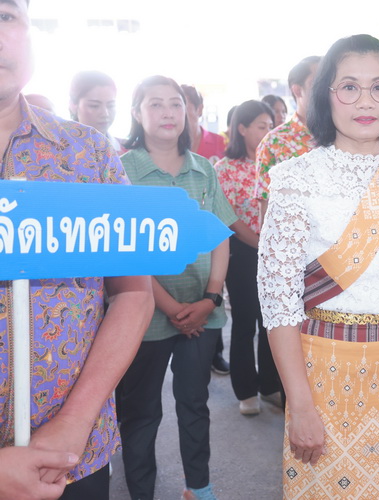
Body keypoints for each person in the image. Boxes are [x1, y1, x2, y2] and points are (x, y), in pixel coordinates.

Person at [257, 34, 379, 498]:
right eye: (349, 87)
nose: (366, 101)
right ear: (326, 95)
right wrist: (300, 404)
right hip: (319, 373)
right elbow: (279, 304)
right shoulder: (295, 178)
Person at [0, 2, 153, 499]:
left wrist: (73, 422)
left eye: (6, 15)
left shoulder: (88, 154)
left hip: (72, 455)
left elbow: (134, 293)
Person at [117, 75, 237, 500]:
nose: (168, 112)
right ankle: (141, 492)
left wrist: (211, 298)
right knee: (140, 412)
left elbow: (220, 236)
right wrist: (170, 307)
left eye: (175, 104)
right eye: (155, 104)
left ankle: (198, 488)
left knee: (194, 404)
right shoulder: (121, 170)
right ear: (137, 113)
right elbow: (125, 251)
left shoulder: (203, 169)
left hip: (203, 311)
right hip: (142, 316)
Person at [214, 100, 282, 415]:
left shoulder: (276, 164)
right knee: (245, 321)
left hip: (277, 253)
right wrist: (259, 243)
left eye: (270, 126)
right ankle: (246, 391)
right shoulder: (225, 169)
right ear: (241, 129)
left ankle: (269, 385)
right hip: (242, 252)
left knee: (273, 321)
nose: (268, 132)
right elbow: (228, 217)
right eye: (261, 126)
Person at [181, 83, 231, 375]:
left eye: (183, 106)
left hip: (212, 227)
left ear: (198, 109)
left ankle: (215, 352)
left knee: (212, 289)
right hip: (180, 230)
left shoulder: (218, 143)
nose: (175, 113)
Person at [254, 56, 320, 224]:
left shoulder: (346, 134)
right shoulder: (275, 142)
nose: (325, 89)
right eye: (317, 82)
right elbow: (266, 208)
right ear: (298, 90)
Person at [69, 70, 125, 154]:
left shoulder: (129, 152)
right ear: (73, 105)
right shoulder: (56, 151)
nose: (105, 114)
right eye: (94, 106)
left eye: (110, 105)